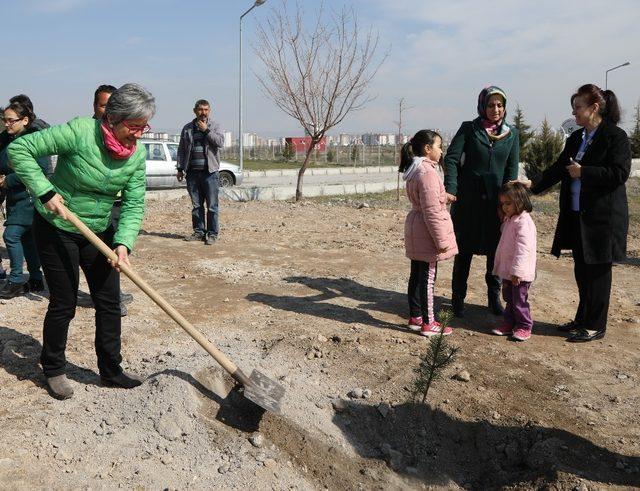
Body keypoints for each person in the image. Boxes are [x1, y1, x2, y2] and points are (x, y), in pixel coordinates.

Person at [8, 83, 155, 399]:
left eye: (145, 127)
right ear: (113, 119)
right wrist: (45, 191)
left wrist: (123, 243)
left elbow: (134, 202)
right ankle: (54, 368)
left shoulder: (136, 154)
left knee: (109, 300)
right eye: (134, 126)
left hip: (98, 230)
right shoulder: (80, 132)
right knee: (65, 301)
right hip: (57, 224)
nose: (140, 134)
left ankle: (111, 369)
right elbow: (20, 150)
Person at [531, 84, 630, 342]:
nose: (573, 113)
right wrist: (533, 186)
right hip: (576, 216)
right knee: (581, 270)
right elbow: (558, 169)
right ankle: (582, 318)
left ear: (593, 108)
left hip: (602, 218)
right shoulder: (576, 138)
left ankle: (595, 325)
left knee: (597, 272)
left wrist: (584, 171)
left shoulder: (615, 136)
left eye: (577, 107)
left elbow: (619, 173)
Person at [444, 86, 520, 318]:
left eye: (499, 105)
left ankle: (493, 298)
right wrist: (452, 188)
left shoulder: (512, 133)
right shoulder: (469, 129)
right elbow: (452, 159)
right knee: (464, 251)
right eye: (490, 105)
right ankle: (458, 298)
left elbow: (511, 169)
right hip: (468, 201)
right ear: (482, 106)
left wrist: (510, 203)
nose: (495, 109)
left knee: (495, 252)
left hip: (496, 204)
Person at [400, 130, 458, 336]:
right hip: (427, 232)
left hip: (417, 227)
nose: (441, 151)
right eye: (439, 146)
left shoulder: (415, 170)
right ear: (427, 149)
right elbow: (432, 212)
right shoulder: (428, 174)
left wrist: (444, 197)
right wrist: (442, 241)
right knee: (428, 278)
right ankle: (429, 322)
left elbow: (426, 200)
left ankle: (415, 317)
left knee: (416, 275)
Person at [90, 83, 134, 315]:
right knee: (102, 255)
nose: (107, 112)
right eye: (103, 106)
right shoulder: (88, 135)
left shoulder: (126, 138)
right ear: (94, 107)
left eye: (113, 107)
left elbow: (134, 194)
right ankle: (111, 298)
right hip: (92, 209)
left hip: (115, 205)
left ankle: (112, 295)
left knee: (116, 251)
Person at [0, 102, 49, 298]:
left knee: (11, 236)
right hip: (15, 197)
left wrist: (7, 181)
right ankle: (36, 278)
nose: (7, 124)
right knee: (27, 239)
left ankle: (16, 280)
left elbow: (39, 170)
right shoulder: (8, 139)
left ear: (25, 120)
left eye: (11, 120)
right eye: (4, 120)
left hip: (28, 197)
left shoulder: (34, 140)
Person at [491, 182, 537, 341]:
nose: (505, 207)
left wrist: (518, 272)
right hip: (508, 271)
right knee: (509, 298)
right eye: (503, 204)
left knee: (519, 300)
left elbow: (524, 249)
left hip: (519, 273)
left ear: (520, 200)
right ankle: (509, 323)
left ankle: (524, 325)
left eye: (508, 203)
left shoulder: (524, 222)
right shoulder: (511, 220)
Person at [176, 99, 225, 245]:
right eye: (200, 109)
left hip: (210, 173)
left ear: (209, 111)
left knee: (212, 206)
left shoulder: (215, 126)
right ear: (195, 110)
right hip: (192, 173)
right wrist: (180, 168)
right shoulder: (187, 128)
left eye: (206, 110)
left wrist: (206, 130)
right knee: (196, 205)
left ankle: (212, 234)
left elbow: (220, 142)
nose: (203, 112)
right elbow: (181, 149)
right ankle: (198, 231)